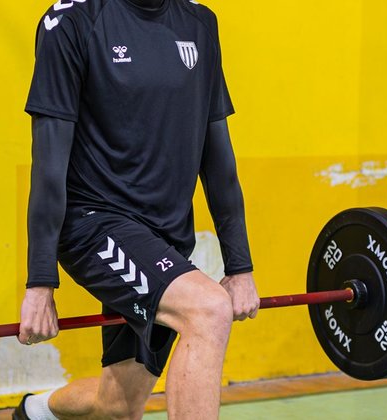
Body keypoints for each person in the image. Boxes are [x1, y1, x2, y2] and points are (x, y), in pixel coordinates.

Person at [14, 0, 260, 418]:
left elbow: (218, 160)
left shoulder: (199, 23)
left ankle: (37, 412)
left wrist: (240, 267)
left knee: (117, 407)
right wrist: (40, 281)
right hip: (94, 226)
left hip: (164, 236)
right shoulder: (71, 21)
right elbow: (49, 165)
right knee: (208, 309)